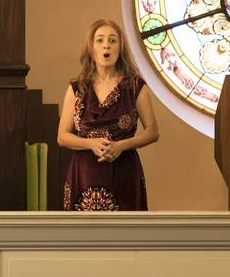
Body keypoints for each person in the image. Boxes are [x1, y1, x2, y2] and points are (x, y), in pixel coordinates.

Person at [57, 19, 159, 211]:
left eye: (113, 40)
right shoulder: (76, 88)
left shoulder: (135, 86)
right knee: (84, 238)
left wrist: (121, 146)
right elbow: (62, 137)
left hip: (124, 171)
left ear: (120, 47)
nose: (106, 45)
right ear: (91, 48)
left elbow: (153, 132)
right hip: (84, 173)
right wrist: (91, 144)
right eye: (100, 40)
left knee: (125, 238)